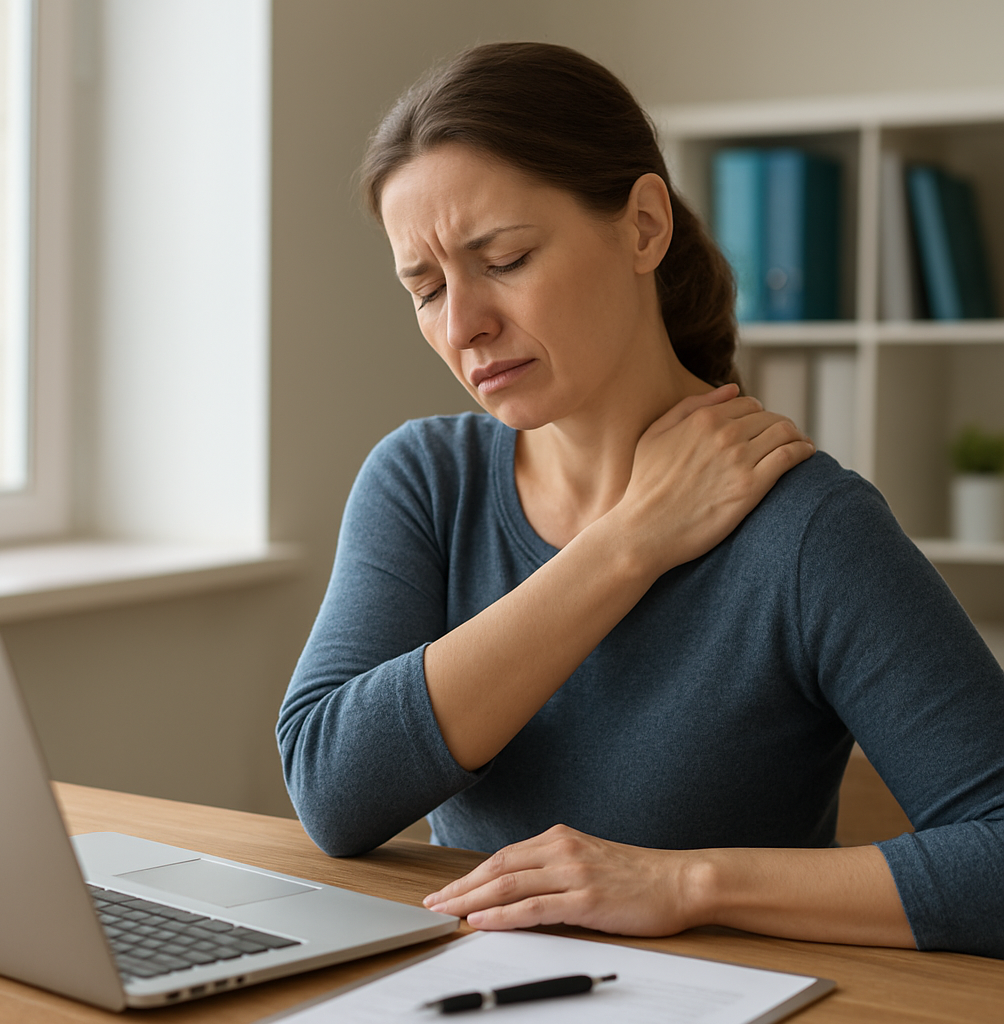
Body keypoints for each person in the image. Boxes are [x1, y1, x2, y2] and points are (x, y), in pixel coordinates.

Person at [277, 42, 1004, 958]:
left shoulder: (808, 529)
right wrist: (628, 544)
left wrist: (686, 883)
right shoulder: (425, 480)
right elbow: (332, 793)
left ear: (644, 227)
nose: (462, 325)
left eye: (505, 259)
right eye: (425, 289)